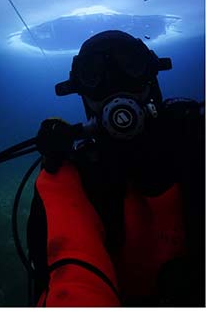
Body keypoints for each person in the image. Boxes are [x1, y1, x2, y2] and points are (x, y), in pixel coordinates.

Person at [23, 31, 203, 306]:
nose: (115, 84)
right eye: (94, 74)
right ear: (82, 90)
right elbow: (72, 273)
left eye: (130, 65)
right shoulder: (68, 179)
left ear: (150, 74)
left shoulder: (198, 140)